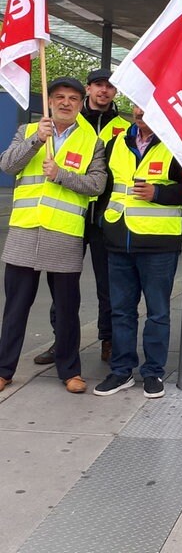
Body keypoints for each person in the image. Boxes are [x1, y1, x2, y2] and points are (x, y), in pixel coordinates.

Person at [0, 77, 106, 394]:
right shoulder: (29, 132)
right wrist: (35, 142)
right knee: (15, 307)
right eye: (59, 97)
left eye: (72, 98)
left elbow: (97, 185)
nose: (65, 102)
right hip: (25, 232)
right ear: (49, 102)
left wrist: (61, 175)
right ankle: (4, 369)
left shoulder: (92, 140)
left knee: (66, 309)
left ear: (79, 102)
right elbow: (7, 165)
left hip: (64, 236)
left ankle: (69, 371)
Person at [34, 67, 131, 367]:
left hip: (105, 220)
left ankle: (108, 340)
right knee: (62, 284)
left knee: (108, 286)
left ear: (115, 93)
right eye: (98, 85)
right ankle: (60, 341)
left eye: (110, 87)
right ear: (88, 89)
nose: (104, 91)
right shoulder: (68, 123)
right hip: (71, 217)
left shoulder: (123, 127)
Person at [93, 106, 182, 399]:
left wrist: (158, 194)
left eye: (148, 104)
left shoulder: (177, 146)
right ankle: (121, 371)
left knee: (157, 313)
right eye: (136, 103)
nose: (140, 110)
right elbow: (106, 187)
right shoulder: (116, 143)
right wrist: (103, 224)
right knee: (121, 311)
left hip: (159, 244)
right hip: (118, 239)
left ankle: (153, 373)